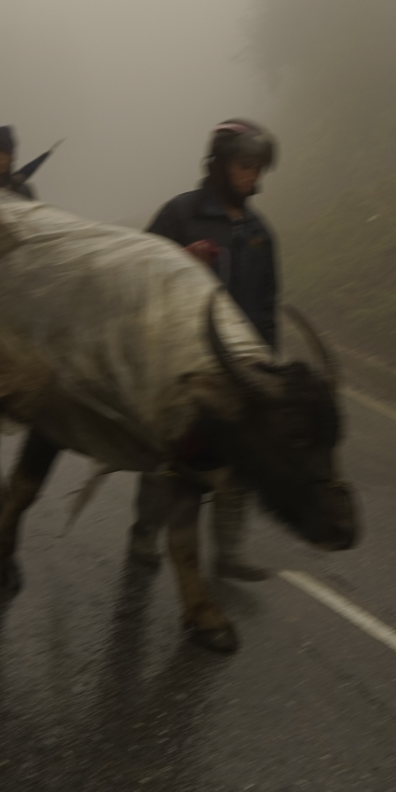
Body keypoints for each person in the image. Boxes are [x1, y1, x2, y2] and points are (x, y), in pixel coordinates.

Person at [132, 119, 281, 581]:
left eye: (257, 168)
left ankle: (230, 552)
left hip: (241, 368)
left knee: (240, 459)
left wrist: (268, 367)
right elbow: (138, 272)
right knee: (172, 457)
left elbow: (268, 305)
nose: (251, 177)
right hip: (183, 361)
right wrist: (180, 260)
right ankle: (144, 533)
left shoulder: (260, 233)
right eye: (243, 165)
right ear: (217, 164)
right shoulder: (180, 215)